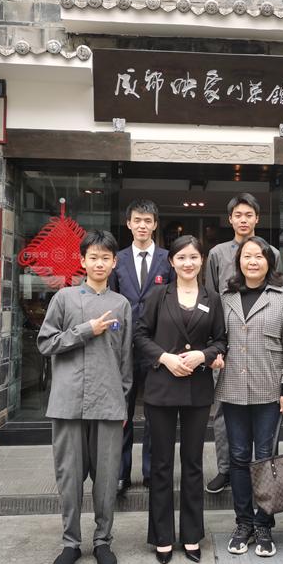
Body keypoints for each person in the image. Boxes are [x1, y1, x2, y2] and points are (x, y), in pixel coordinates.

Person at [37, 230, 133, 564]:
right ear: (82, 261)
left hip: (108, 401)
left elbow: (125, 360)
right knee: (69, 475)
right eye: (93, 257)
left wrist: (123, 401)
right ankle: (70, 543)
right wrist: (85, 330)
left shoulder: (121, 304)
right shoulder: (63, 298)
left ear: (114, 262)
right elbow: (45, 344)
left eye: (105, 258)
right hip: (68, 401)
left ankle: (103, 540)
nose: (99, 263)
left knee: (107, 478)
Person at [134, 235, 227, 564]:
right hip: (161, 387)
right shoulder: (158, 295)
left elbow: (221, 340)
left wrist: (204, 354)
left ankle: (191, 534)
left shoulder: (212, 298)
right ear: (171, 262)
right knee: (161, 465)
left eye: (194, 257)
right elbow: (140, 335)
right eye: (182, 257)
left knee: (192, 464)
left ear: (202, 261)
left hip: (196, 390)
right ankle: (162, 536)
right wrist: (164, 358)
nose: (188, 263)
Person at [216, 236, 283, 558]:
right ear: (238, 261)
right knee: (238, 457)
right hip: (232, 389)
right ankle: (243, 523)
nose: (253, 262)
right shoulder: (226, 297)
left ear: (269, 262)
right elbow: (216, 339)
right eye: (247, 256)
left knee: (265, 457)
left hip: (269, 390)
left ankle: (264, 523)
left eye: (259, 256)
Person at [204, 193, 282, 494]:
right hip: (227, 345)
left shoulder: (272, 252)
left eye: (249, 214)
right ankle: (226, 469)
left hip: (262, 347)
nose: (243, 220)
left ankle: (263, 472)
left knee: (266, 409)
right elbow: (210, 299)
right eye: (238, 215)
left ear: (257, 218)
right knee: (223, 410)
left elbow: (278, 295)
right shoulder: (217, 253)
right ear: (230, 219)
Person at [109, 199, 174, 495]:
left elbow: (173, 301)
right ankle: (121, 473)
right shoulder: (118, 259)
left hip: (157, 347)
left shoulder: (167, 259)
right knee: (122, 411)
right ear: (129, 224)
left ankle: (151, 471)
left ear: (155, 224)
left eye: (148, 221)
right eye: (137, 220)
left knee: (155, 413)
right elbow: (111, 300)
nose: (142, 226)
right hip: (123, 348)